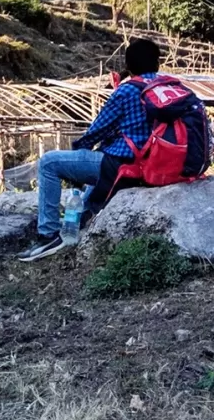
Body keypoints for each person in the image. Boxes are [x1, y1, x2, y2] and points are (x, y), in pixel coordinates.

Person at [16, 38, 162, 262]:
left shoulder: (128, 91)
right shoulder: (170, 88)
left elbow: (96, 132)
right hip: (161, 164)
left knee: (49, 163)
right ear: (157, 63)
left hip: (126, 166)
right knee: (91, 182)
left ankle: (48, 235)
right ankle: (79, 224)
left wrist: (78, 155)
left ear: (129, 66)